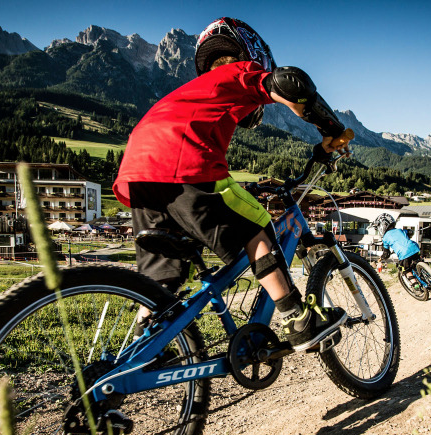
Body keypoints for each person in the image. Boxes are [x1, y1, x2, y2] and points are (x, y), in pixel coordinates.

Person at [113, 17, 351, 352]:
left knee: (162, 277)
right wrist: (332, 130)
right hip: (182, 161)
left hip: (137, 172)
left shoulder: (193, 93)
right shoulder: (236, 73)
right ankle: (297, 319)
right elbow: (291, 82)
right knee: (257, 223)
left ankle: (138, 349)